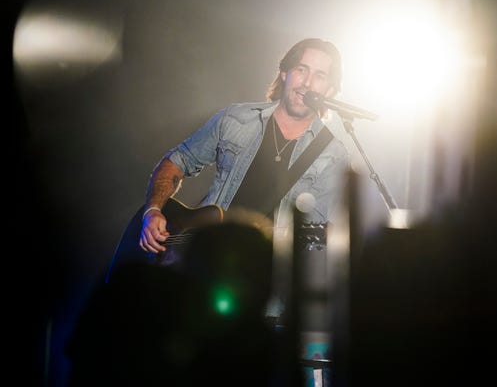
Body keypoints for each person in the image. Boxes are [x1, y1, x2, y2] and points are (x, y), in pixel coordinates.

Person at [138, 37, 350, 318]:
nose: (307, 82)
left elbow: (315, 237)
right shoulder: (235, 119)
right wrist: (153, 211)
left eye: (319, 76)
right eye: (301, 69)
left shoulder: (333, 156)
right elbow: (176, 161)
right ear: (285, 73)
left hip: (260, 295)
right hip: (195, 277)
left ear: (330, 90)